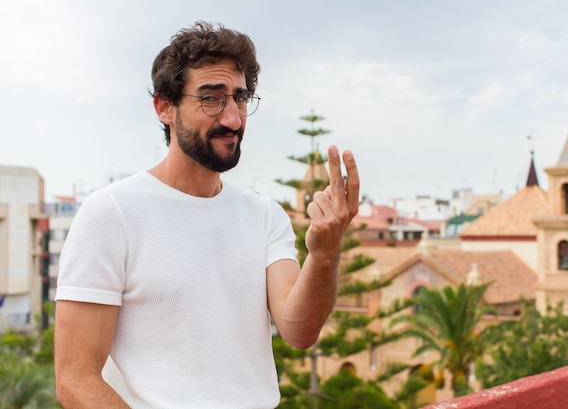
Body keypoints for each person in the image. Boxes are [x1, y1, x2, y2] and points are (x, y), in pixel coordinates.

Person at [54, 21, 360, 409]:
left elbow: (299, 331)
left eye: (240, 98)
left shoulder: (264, 215)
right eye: (212, 99)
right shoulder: (111, 215)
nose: (233, 118)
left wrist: (325, 255)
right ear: (165, 107)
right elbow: (75, 380)